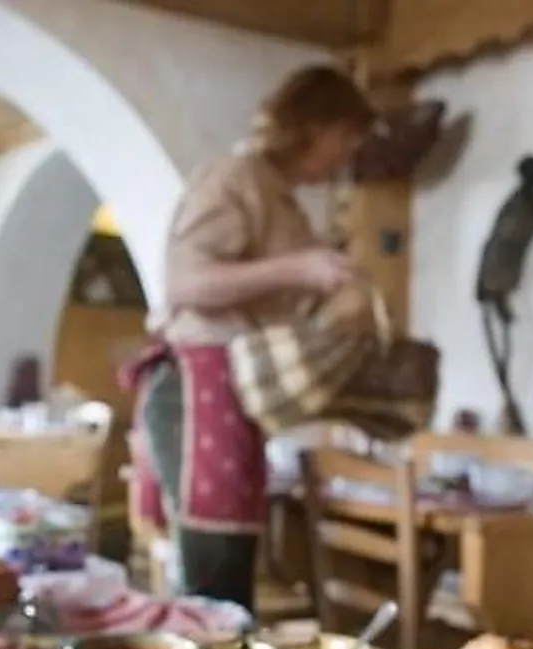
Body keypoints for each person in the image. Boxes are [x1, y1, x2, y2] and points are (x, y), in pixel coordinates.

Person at [123, 65, 377, 612]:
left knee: (230, 572)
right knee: (214, 579)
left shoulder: (281, 197)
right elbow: (185, 283)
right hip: (197, 390)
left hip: (233, 390)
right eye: (346, 136)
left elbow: (273, 300)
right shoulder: (235, 176)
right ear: (313, 124)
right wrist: (298, 268)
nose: (349, 151)